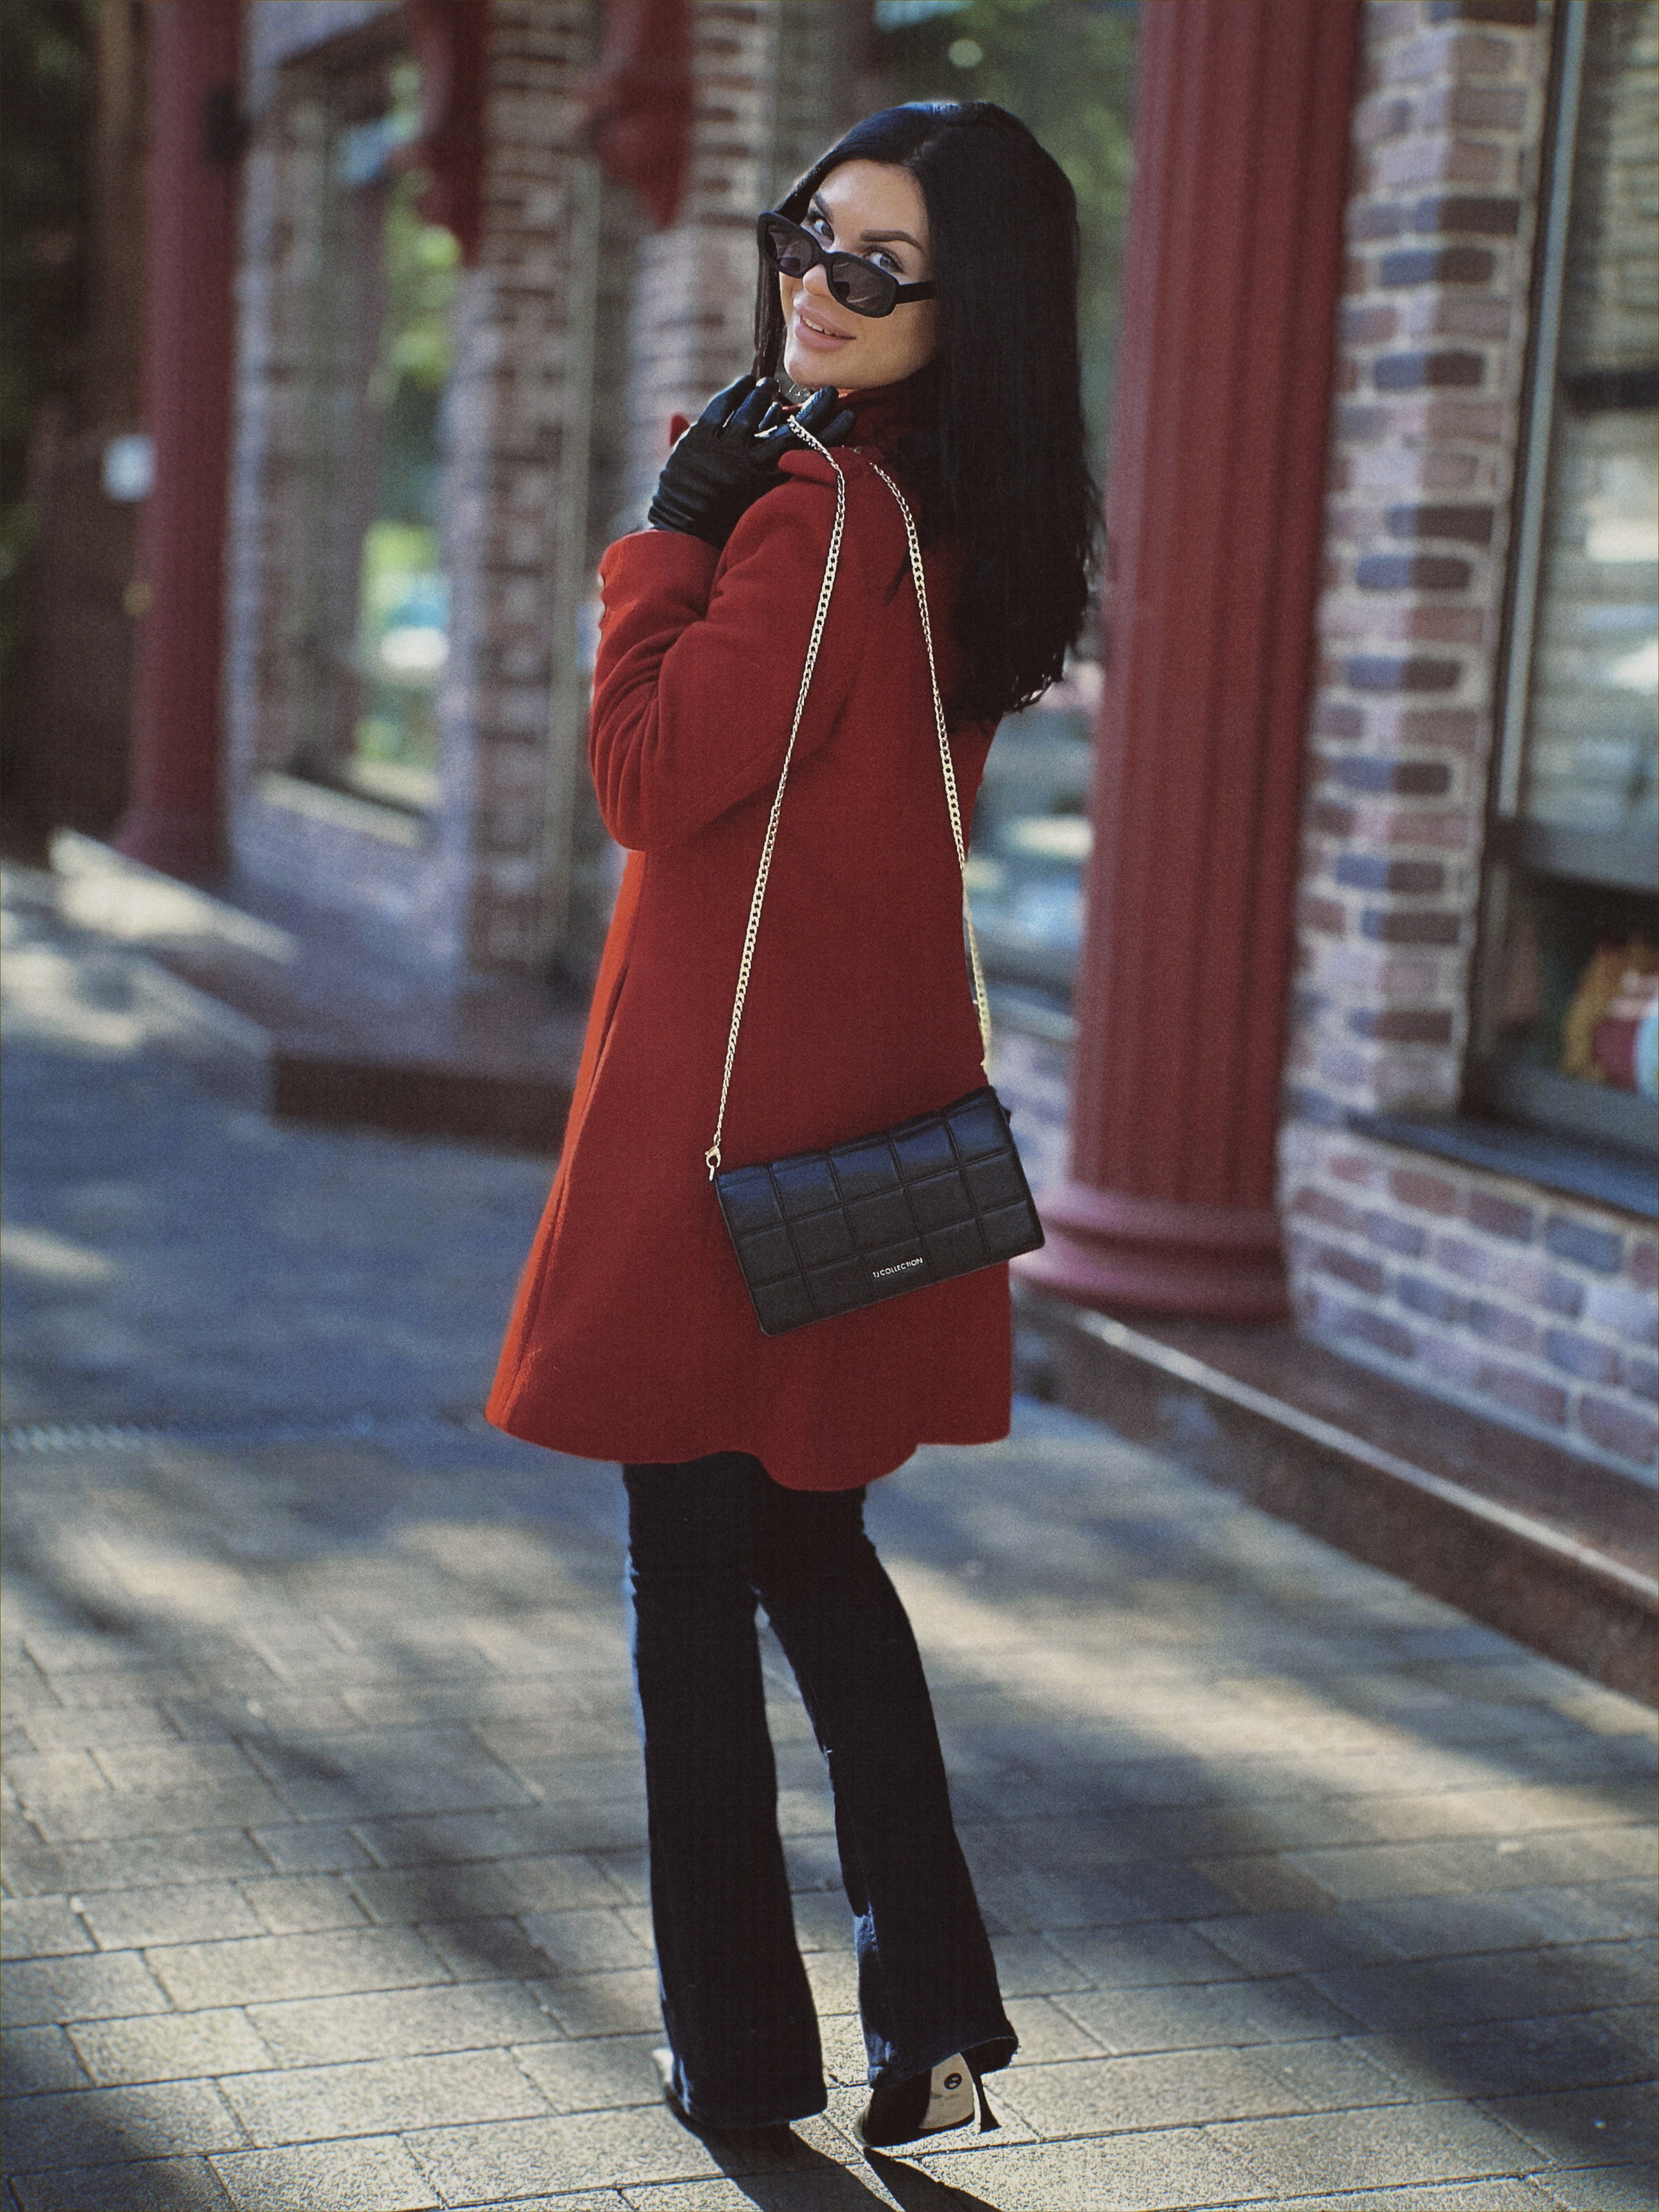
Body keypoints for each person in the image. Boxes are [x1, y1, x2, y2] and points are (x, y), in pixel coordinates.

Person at [487, 100, 1095, 2149]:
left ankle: (743, 2059)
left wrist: (669, 531)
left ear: (967, 306)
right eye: (807, 237)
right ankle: (933, 2008)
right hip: (844, 1137)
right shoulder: (969, 513)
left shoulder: (818, 515)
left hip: (717, 1149)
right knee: (815, 1553)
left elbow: (648, 778)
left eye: (876, 268)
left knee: (692, 1589)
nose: (816, 288)